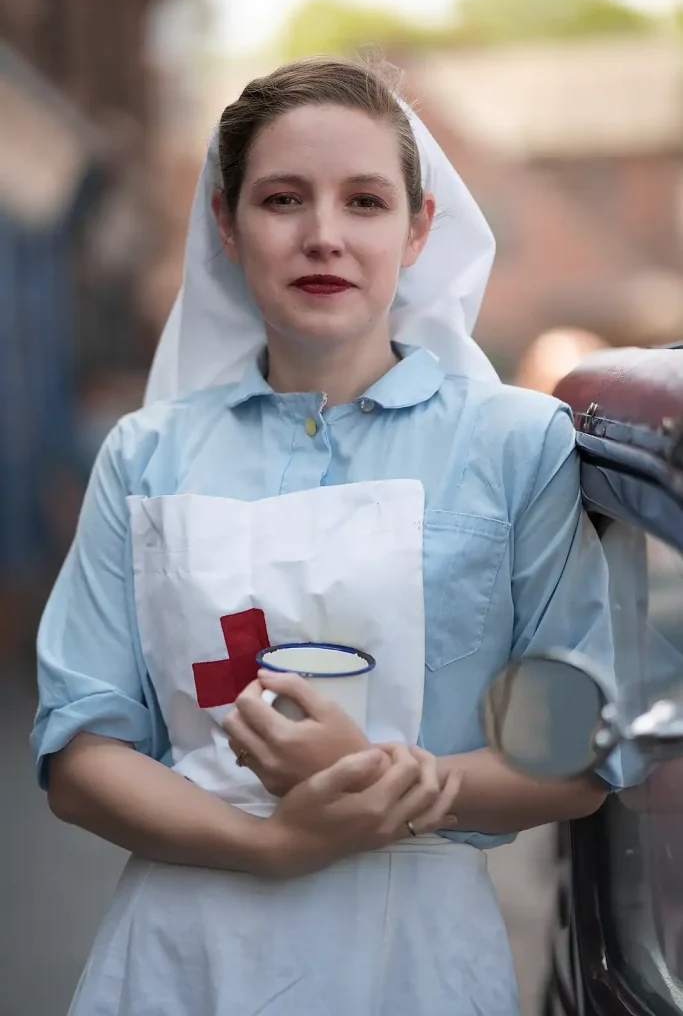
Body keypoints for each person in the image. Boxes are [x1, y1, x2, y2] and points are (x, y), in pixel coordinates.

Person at [33, 57, 625, 1016]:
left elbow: (574, 755)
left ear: (418, 227)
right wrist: (275, 843)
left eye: (363, 201)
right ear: (225, 225)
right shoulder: (145, 454)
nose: (323, 236)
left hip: (414, 951)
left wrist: (393, 782)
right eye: (280, 198)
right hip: (181, 954)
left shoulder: (515, 445)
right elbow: (80, 751)